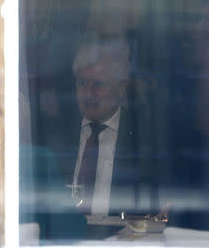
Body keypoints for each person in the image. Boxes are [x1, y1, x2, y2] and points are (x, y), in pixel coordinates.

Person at [57, 39, 155, 217]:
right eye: (83, 83)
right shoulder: (57, 133)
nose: (88, 94)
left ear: (121, 88)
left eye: (98, 85)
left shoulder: (142, 138)